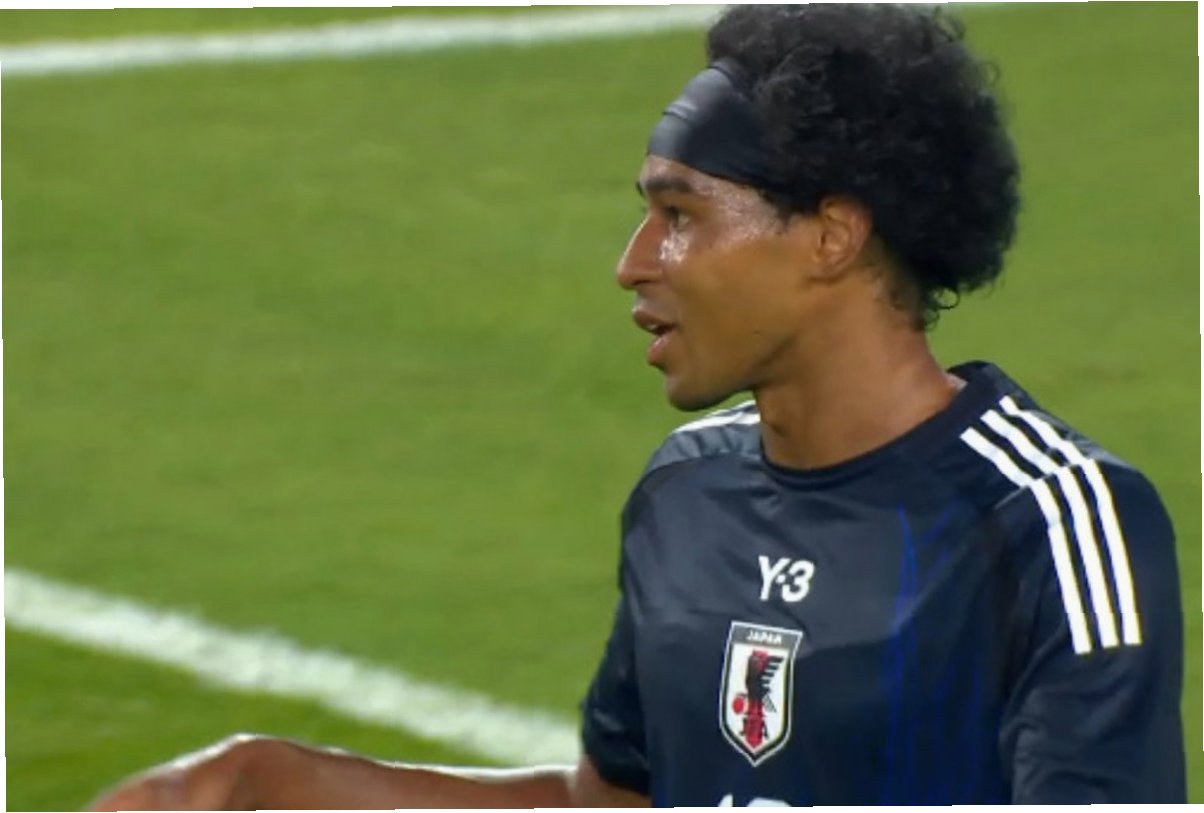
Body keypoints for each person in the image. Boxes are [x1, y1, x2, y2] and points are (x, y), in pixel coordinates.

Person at [89, 4, 1186, 808]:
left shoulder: (1048, 524)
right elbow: (613, 804)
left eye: (681, 215)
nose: (633, 262)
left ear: (831, 235)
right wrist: (270, 784)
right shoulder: (689, 490)